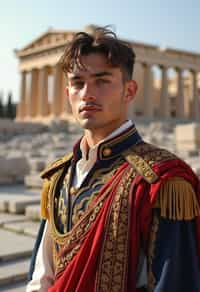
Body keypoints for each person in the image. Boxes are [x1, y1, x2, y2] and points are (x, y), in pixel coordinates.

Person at [26, 26, 200, 292]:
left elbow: (175, 282)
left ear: (129, 91)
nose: (87, 94)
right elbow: (42, 276)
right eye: (78, 83)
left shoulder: (163, 180)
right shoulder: (57, 178)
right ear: (68, 94)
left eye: (102, 81)